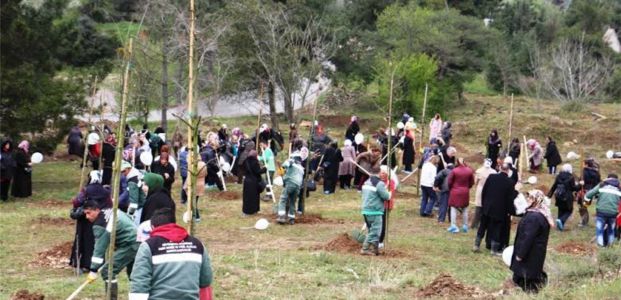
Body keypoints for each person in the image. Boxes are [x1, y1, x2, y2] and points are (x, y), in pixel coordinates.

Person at [129, 208, 213, 300]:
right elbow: (206, 280)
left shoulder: (148, 246)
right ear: (174, 223)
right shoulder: (198, 245)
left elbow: (139, 283)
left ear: (152, 227)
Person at [83, 200, 138, 300]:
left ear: (97, 210)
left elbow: (100, 247)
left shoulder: (100, 224)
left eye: (89, 213)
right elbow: (129, 218)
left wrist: (93, 269)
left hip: (129, 244)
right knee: (134, 273)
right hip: (138, 240)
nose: (87, 217)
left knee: (108, 272)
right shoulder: (110, 210)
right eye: (85, 213)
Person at [510, 190, 552, 294]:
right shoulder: (538, 213)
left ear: (537, 200)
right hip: (534, 253)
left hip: (530, 254)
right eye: (528, 198)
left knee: (527, 279)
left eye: (531, 198)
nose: (528, 200)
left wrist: (520, 254)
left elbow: (528, 237)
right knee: (527, 276)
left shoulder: (534, 217)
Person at [70, 171, 112, 271]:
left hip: (85, 219)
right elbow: (109, 204)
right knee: (97, 242)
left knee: (82, 241)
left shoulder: (86, 190)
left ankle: (81, 264)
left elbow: (77, 202)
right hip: (99, 219)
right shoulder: (105, 191)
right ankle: (96, 263)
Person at [474, 164, 517, 254]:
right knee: (496, 229)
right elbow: (510, 199)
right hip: (500, 210)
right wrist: (511, 211)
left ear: (500, 168)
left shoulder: (491, 177)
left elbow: (484, 191)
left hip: (487, 207)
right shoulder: (510, 182)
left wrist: (483, 204)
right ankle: (493, 250)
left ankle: (476, 245)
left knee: (482, 226)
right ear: (508, 171)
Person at [360, 167, 391, 256]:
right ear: (379, 173)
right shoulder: (379, 184)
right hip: (375, 210)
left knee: (372, 230)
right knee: (375, 231)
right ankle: (365, 249)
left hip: (366, 210)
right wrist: (389, 194)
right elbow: (386, 197)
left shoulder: (367, 182)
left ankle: (374, 249)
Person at [584, 174, 621, 247]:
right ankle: (611, 247)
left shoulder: (602, 185)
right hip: (613, 213)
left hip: (601, 212)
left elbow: (588, 195)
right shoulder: (619, 188)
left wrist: (586, 203)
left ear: (607, 178)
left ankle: (600, 247)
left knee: (600, 229)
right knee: (611, 230)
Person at [547, 164, 580, 231]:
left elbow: (554, 186)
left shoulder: (558, 176)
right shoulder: (571, 177)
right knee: (569, 210)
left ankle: (559, 227)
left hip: (559, 195)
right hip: (567, 197)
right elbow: (573, 188)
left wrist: (549, 195)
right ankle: (561, 220)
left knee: (561, 209)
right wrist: (580, 185)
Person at [446, 157, 474, 233]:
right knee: (465, 209)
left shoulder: (454, 171)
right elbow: (472, 182)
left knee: (453, 208)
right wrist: (467, 187)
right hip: (465, 191)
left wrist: (451, 188)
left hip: (455, 191)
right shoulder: (469, 171)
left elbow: (449, 181)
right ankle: (465, 226)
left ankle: (453, 226)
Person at [277, 153, 305, 225]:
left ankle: (281, 217)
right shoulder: (301, 168)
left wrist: (281, 168)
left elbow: (284, 167)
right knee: (292, 202)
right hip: (298, 186)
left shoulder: (291, 162)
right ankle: (291, 219)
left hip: (290, 183)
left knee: (283, 199)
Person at [471, 158, 496, 229]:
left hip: (480, 189)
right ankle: (484, 224)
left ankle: (475, 224)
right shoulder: (493, 172)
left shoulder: (479, 171)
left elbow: (475, 182)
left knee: (478, 207)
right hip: (489, 190)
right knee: (486, 207)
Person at [242, 150, 265, 216]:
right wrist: (264, 169)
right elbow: (257, 172)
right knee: (254, 197)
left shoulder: (245, 161)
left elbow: (243, 169)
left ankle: (246, 212)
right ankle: (254, 210)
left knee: (247, 197)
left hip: (247, 181)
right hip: (253, 181)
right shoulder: (255, 162)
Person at [184, 157, 207, 222]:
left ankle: (197, 217)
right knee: (195, 201)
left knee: (192, 202)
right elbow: (205, 174)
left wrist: (186, 186)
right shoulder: (203, 164)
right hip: (201, 184)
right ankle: (194, 215)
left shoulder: (192, 166)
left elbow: (190, 176)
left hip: (193, 184)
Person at [579, 158, 601, 226]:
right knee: (585, 205)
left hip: (584, 190)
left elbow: (581, 181)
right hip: (592, 191)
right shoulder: (596, 172)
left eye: (583, 164)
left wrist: (580, 182)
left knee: (583, 206)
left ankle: (584, 221)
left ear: (586, 164)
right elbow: (598, 182)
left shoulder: (584, 172)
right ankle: (584, 220)